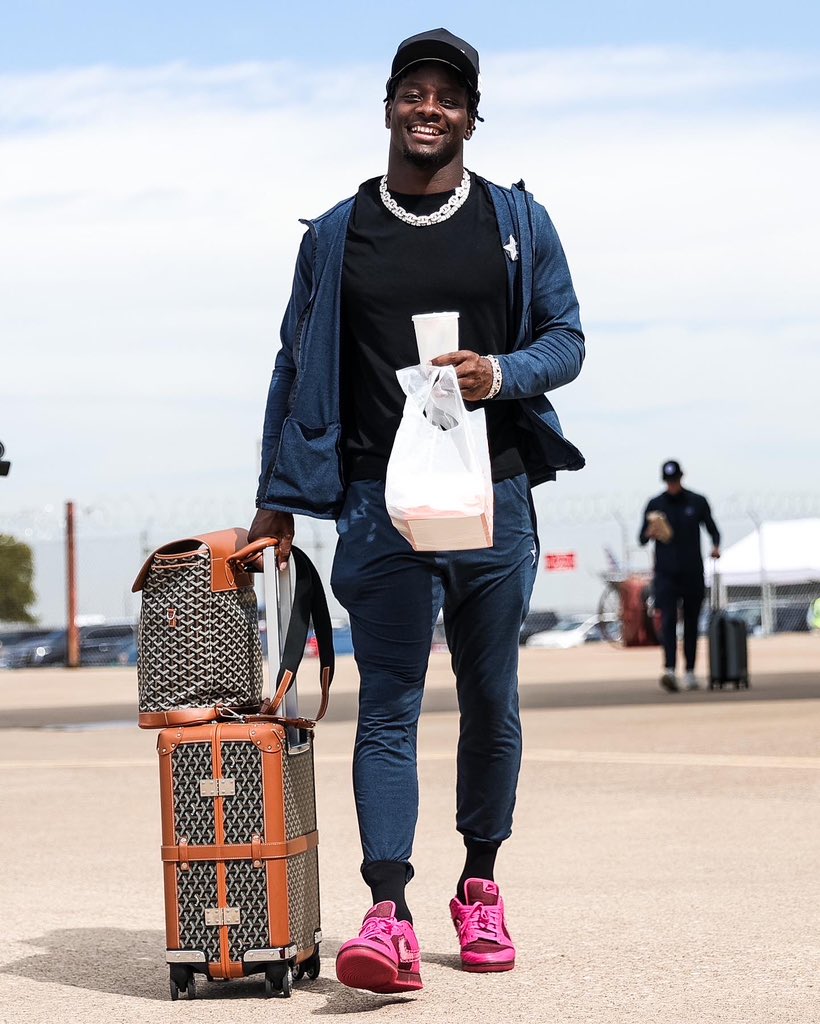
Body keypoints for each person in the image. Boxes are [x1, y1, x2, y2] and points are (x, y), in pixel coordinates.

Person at [248, 28, 585, 993]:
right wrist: (276, 497)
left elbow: (566, 337)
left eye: (448, 96)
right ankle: (386, 912)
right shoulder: (335, 235)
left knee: (492, 703)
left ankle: (480, 889)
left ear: (473, 117)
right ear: (389, 106)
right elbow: (291, 366)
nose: (429, 108)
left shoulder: (519, 221)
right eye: (413, 92)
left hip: (497, 496)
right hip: (375, 504)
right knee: (387, 706)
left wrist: (502, 372)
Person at [639, 460, 720, 693]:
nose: (672, 485)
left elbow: (713, 529)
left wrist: (715, 546)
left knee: (692, 623)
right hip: (665, 575)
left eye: (675, 481)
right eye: (668, 482)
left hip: (692, 572)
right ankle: (670, 670)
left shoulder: (697, 501)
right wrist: (650, 532)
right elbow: (641, 539)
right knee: (667, 622)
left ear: (681, 479)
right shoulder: (655, 504)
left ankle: (691, 671)